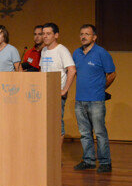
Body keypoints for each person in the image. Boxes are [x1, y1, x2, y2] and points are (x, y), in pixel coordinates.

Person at [72, 24, 116, 173]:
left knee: (99, 132)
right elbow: (76, 73)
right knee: (84, 133)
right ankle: (88, 160)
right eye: (81, 34)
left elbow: (112, 74)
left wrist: (101, 88)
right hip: (80, 100)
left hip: (96, 100)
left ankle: (105, 162)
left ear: (94, 37)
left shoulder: (101, 53)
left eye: (87, 34)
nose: (83, 37)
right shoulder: (76, 53)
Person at [40, 22, 76, 146]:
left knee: (56, 124)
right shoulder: (44, 50)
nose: (45, 36)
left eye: (48, 34)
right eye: (43, 34)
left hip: (57, 93)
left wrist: (64, 90)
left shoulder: (62, 50)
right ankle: (47, 154)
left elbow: (72, 70)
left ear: (56, 35)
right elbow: (42, 70)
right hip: (44, 93)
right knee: (46, 124)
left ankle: (56, 156)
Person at [0, 25, 20, 129]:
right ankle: (3, 143)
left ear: (5, 35)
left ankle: (11, 143)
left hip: (7, 90)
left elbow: (18, 72)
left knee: (8, 118)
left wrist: (2, 83)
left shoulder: (12, 50)